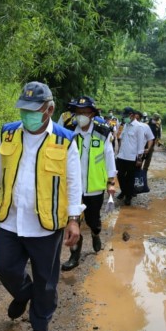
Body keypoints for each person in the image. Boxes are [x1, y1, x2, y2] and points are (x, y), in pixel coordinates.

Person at [0, 81, 83, 331]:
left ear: (48, 109)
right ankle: (24, 293)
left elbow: (74, 182)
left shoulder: (65, 140)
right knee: (4, 265)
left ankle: (40, 324)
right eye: (23, 110)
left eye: (32, 110)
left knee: (46, 281)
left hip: (46, 224)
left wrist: (74, 219)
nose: (26, 115)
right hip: (11, 218)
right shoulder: (9, 133)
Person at [61, 96, 117, 271]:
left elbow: (109, 157)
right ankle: (74, 256)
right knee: (73, 220)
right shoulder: (68, 131)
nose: (81, 116)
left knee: (94, 221)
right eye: (78, 113)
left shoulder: (103, 132)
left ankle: (95, 233)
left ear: (92, 114)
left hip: (94, 188)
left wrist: (111, 183)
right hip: (73, 188)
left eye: (85, 113)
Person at [116, 107, 145, 206]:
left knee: (130, 177)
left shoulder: (139, 127)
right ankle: (124, 191)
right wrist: (118, 152)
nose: (124, 118)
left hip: (132, 157)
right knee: (119, 175)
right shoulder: (126, 125)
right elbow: (121, 139)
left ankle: (128, 196)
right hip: (121, 156)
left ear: (132, 115)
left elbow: (141, 144)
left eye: (126, 116)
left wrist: (139, 158)